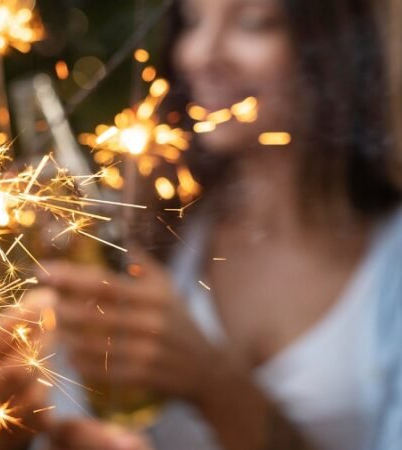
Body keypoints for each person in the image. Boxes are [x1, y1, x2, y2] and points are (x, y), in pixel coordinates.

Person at [42, 0, 402, 449]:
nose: (199, 54)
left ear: (339, 44)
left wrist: (213, 383)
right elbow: (65, 411)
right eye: (192, 22)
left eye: (253, 23)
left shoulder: (390, 263)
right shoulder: (154, 228)